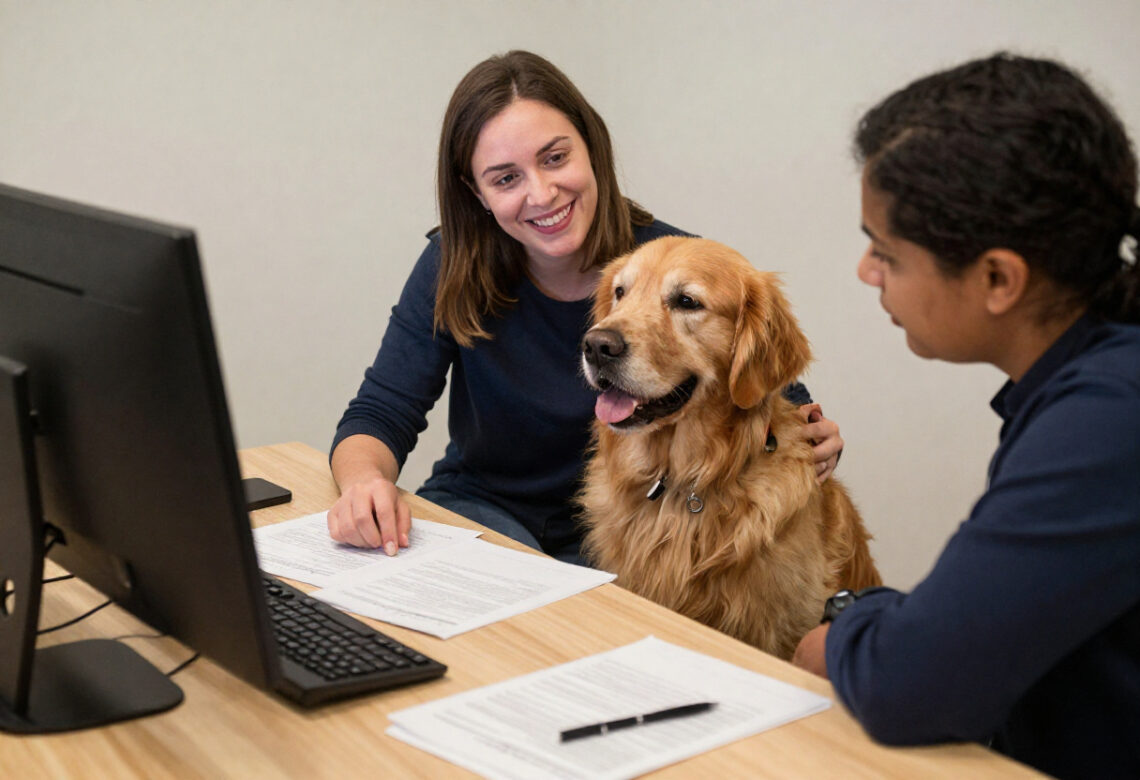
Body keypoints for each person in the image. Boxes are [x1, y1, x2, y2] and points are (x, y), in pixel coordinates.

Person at [327, 50, 844, 565]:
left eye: (555, 158)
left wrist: (812, 432)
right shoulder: (451, 264)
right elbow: (381, 411)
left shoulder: (676, 258)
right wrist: (364, 483)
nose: (542, 193)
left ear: (592, 147)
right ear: (476, 192)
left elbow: (769, 389)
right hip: (478, 507)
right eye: (505, 178)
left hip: (616, 524)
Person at [792, 53, 1140, 779]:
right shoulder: (1091, 376)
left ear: (998, 279)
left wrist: (846, 624)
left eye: (887, 253)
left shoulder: (1108, 418)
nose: (866, 271)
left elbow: (911, 685)